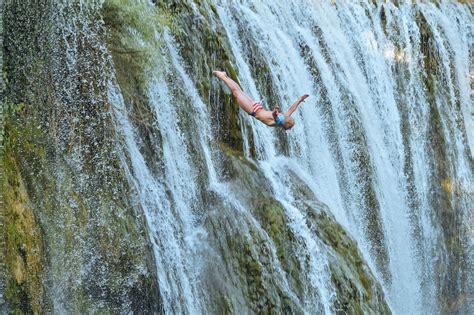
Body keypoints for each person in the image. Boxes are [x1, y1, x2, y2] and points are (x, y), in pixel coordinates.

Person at [213, 70, 309, 130]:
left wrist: (275, 110)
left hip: (253, 110)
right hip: (257, 108)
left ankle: (223, 76)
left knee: (237, 93)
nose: (291, 118)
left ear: (287, 122)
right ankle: (224, 76)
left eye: (291, 121)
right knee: (238, 92)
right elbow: (292, 109)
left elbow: (274, 115)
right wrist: (299, 100)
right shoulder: (284, 117)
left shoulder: (278, 121)